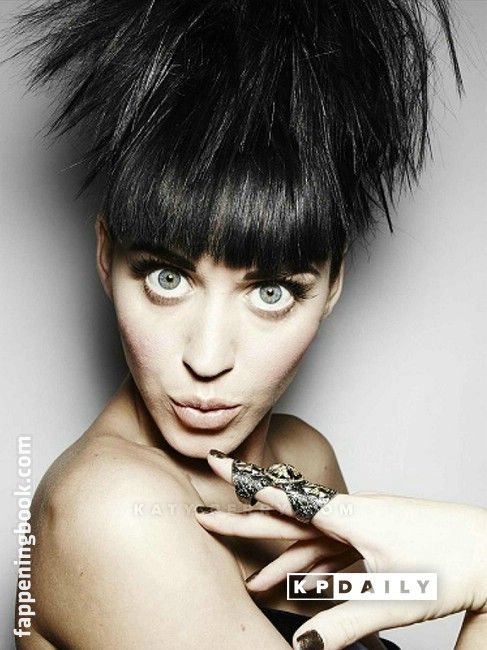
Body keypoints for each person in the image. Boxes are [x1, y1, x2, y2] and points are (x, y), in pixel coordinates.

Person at [8, 0, 486, 648]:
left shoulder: (301, 458)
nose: (206, 359)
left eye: (270, 292)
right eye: (166, 278)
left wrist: (466, 568)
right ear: (105, 257)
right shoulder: (110, 513)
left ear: (331, 285)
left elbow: (394, 603)